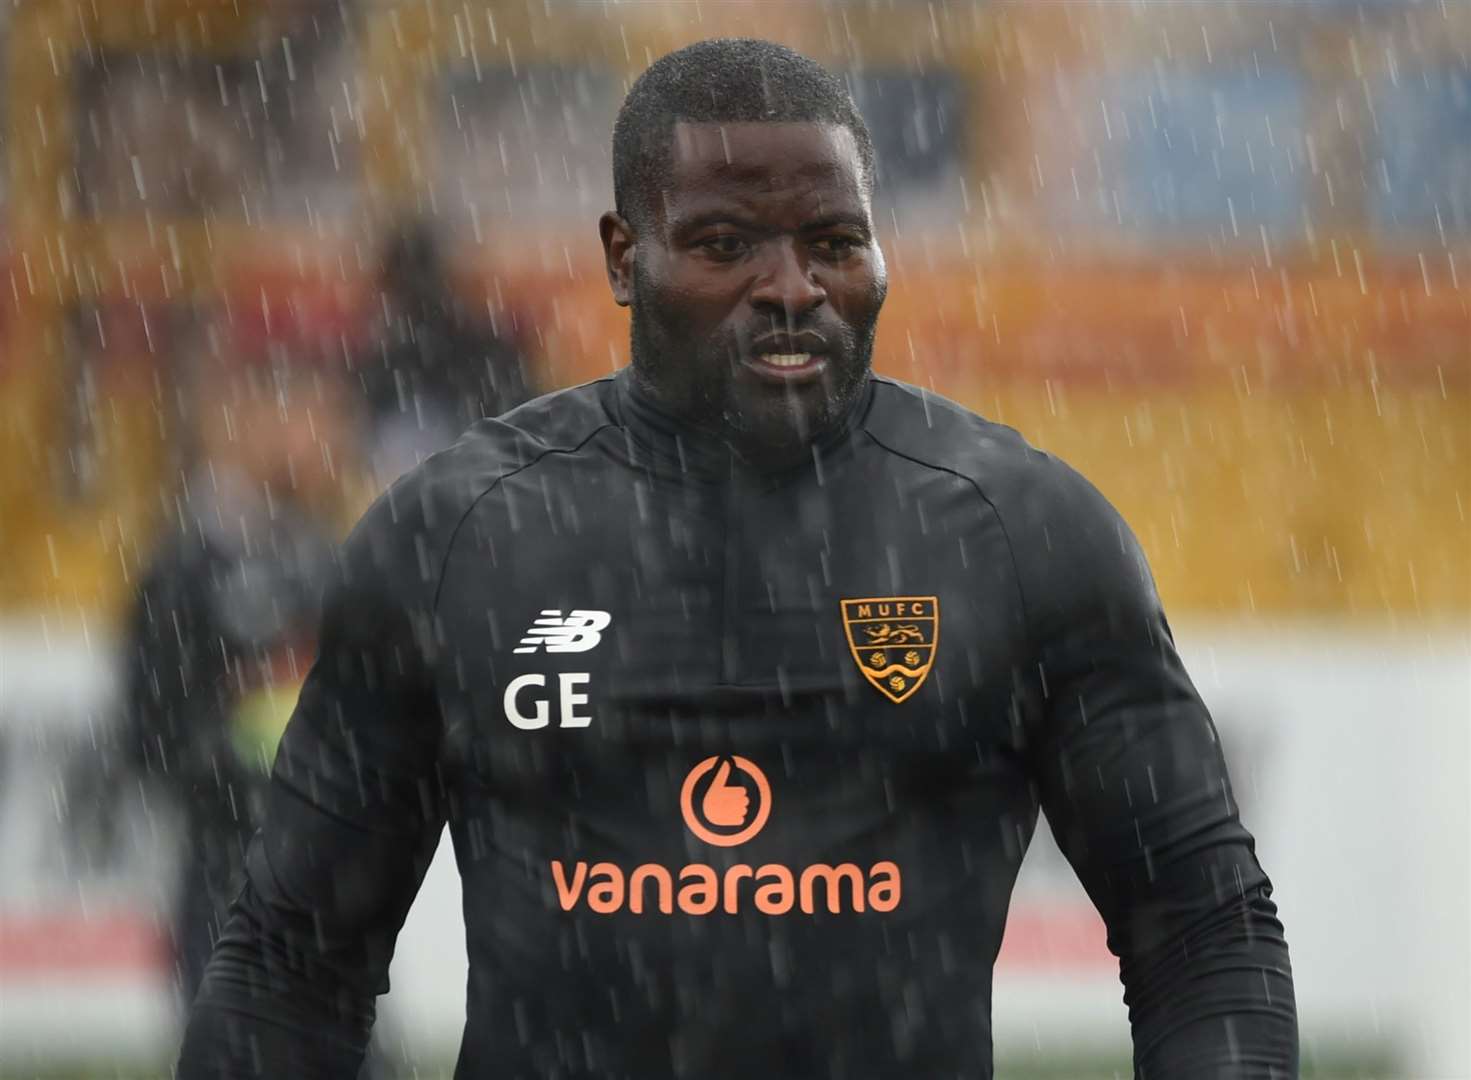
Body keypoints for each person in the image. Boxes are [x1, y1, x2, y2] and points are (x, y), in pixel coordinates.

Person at [178, 39, 1297, 1078]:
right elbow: (291, 961)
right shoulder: (455, 537)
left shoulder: (1025, 531)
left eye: (834, 241)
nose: (792, 286)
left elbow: (1203, 928)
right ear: (624, 256)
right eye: (725, 244)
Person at [122, 327, 360, 1006]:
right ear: (250, 420)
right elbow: (150, 735)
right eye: (312, 416)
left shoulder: (324, 552)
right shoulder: (185, 568)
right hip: (230, 888)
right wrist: (253, 761)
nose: (328, 438)